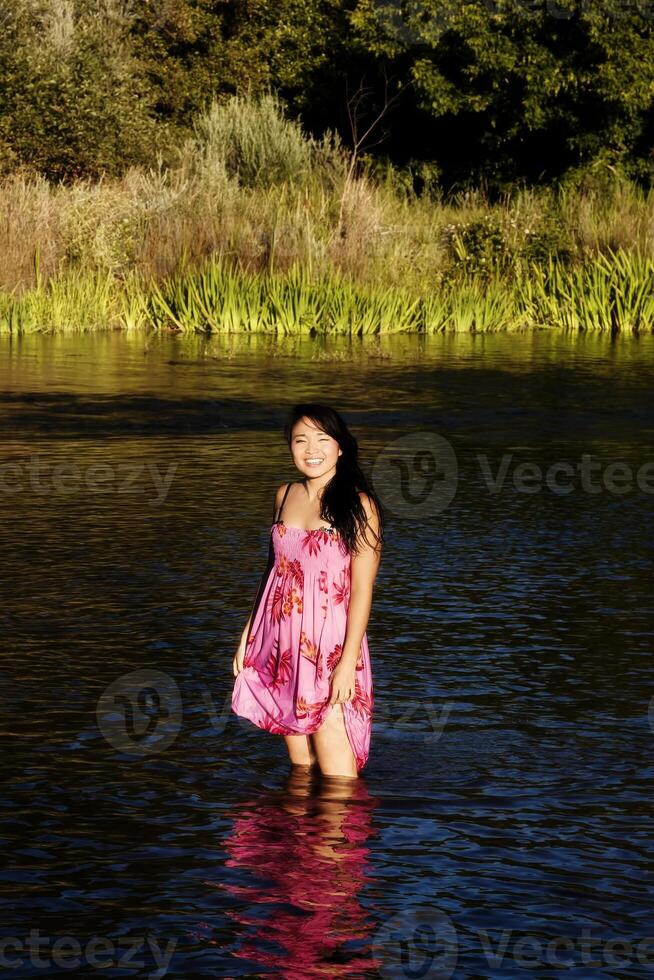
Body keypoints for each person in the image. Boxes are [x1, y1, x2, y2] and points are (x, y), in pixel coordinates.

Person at [231, 403, 384, 778]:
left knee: (338, 781)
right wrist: (247, 636)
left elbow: (363, 590)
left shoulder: (359, 506)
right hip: (281, 642)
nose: (311, 449)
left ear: (341, 447)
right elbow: (272, 572)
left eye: (322, 439)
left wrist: (347, 664)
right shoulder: (285, 495)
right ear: (290, 447)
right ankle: (293, 836)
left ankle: (336, 837)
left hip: (330, 646)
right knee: (302, 769)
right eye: (301, 440)